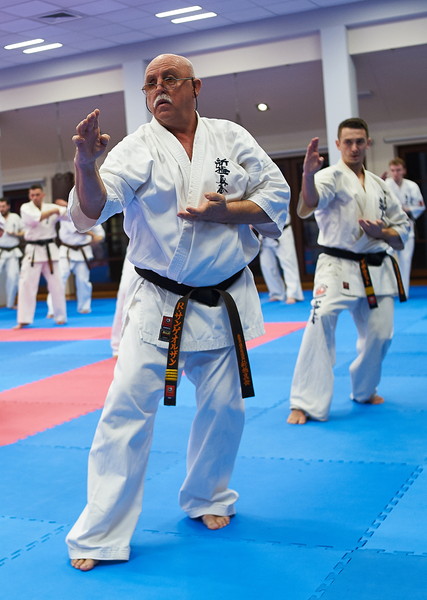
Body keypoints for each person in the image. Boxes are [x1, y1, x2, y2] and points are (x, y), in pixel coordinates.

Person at [66, 53, 290, 571]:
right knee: (125, 412)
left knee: (225, 409)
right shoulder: (138, 146)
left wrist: (228, 212)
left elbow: (276, 195)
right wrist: (85, 164)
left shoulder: (230, 137)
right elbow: (94, 208)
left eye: (170, 79)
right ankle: (100, 534)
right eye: (150, 83)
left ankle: (208, 495)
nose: (159, 89)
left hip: (222, 298)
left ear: (195, 87)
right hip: (160, 302)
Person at [287, 118, 410, 425]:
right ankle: (305, 402)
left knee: (381, 334)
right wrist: (307, 174)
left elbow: (402, 230)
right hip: (336, 266)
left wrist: (383, 233)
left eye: (359, 141)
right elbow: (311, 202)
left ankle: (365, 389)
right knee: (320, 322)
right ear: (338, 144)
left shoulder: (380, 186)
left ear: (368, 143)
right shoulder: (329, 176)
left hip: (375, 266)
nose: (354, 147)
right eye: (348, 142)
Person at [15, 184, 68, 328]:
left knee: (57, 285)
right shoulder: (25, 208)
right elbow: (34, 220)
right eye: (32, 195)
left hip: (50, 250)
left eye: (37, 194)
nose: (34, 197)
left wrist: (65, 206)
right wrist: (54, 211)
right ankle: (24, 319)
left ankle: (60, 316)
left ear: (43, 195)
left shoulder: (50, 207)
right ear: (29, 196)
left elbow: (69, 216)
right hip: (33, 251)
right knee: (26, 285)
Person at [46, 200, 105, 316]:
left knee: (83, 281)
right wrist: (92, 234)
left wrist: (95, 239)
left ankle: (84, 307)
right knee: (59, 279)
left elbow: (101, 235)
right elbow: (77, 229)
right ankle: (53, 309)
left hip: (83, 251)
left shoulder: (92, 217)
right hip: (66, 251)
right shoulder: (67, 213)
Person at [384, 158, 425, 297]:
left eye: (398, 170)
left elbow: (420, 206)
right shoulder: (385, 184)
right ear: (390, 171)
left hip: (407, 229)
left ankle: (403, 292)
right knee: (386, 258)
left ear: (404, 171)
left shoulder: (412, 186)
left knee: (405, 261)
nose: (396, 173)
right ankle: (389, 290)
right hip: (389, 229)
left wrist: (407, 209)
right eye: (393, 170)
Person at [259, 212, 304, 303]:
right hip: (264, 233)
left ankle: (293, 294)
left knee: (288, 263)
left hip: (282, 230)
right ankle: (276, 293)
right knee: (267, 266)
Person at [0, 198, 23, 309]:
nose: (1, 209)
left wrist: (15, 234)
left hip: (13, 251)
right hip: (0, 250)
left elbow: (25, 232)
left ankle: (10, 304)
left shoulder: (15, 217)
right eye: (0, 207)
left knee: (13, 278)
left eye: (3, 206)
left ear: (8, 206)